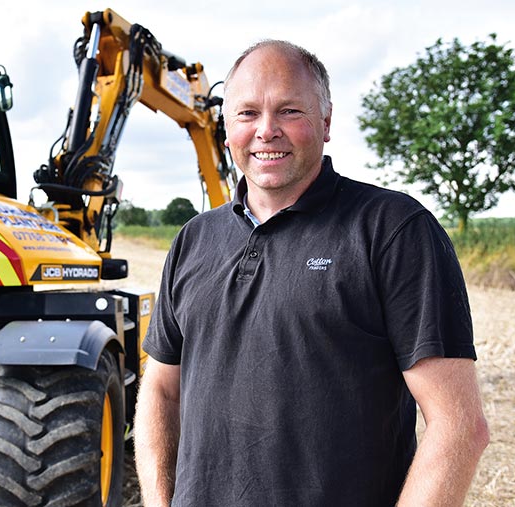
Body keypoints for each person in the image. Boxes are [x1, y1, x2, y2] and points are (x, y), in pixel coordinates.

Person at [133, 40, 489, 507]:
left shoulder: (393, 230)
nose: (266, 130)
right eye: (246, 114)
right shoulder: (193, 240)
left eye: (289, 110)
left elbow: (458, 424)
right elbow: (161, 390)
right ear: (225, 131)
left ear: (325, 123)